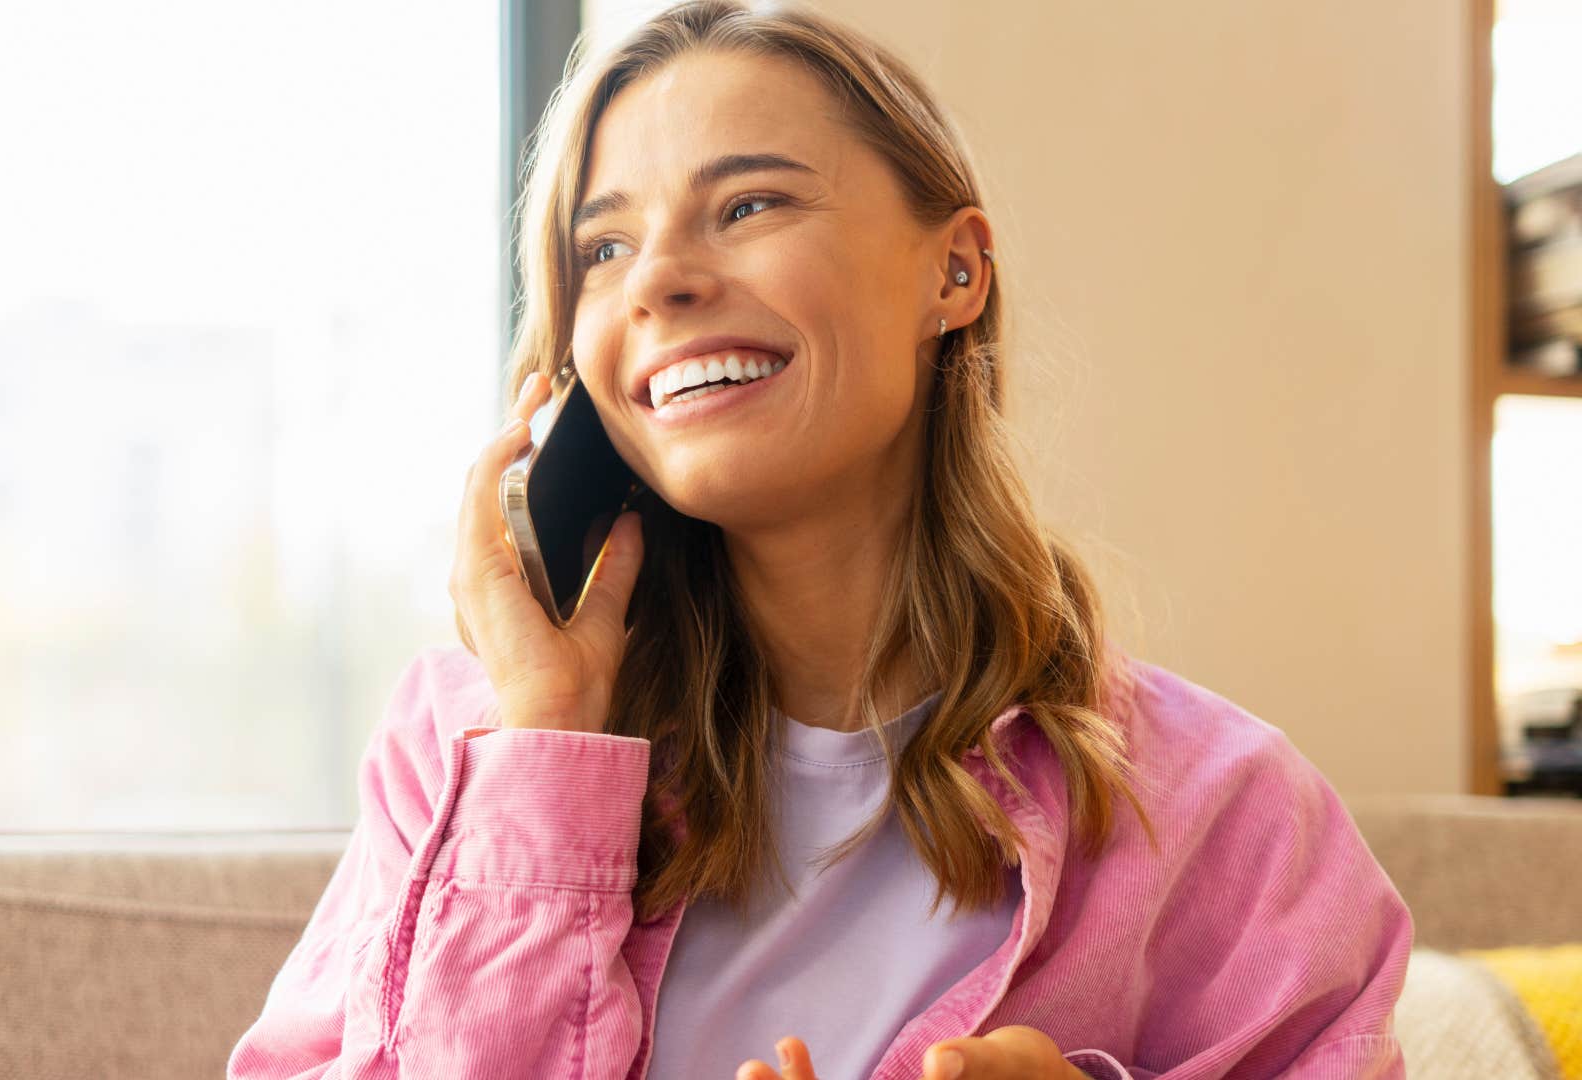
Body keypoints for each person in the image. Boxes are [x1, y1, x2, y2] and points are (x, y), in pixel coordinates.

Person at [227, 2, 1413, 1077]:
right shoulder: (462, 750)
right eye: (604, 249)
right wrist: (545, 741)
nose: (658, 282)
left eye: (748, 205)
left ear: (955, 270)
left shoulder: (1226, 811)